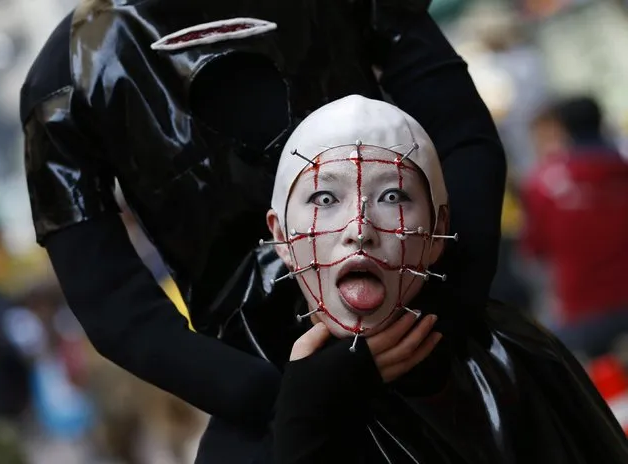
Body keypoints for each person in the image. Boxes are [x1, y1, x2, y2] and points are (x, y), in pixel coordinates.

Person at [20, 3, 505, 461]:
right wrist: (286, 394)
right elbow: (112, 305)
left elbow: (464, 136)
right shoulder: (65, 75)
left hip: (428, 358)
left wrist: (441, 313)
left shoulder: (68, 69)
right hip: (284, 401)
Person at [268, 95, 628, 463]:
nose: (360, 230)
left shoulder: (513, 366)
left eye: (392, 196)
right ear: (280, 235)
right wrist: (304, 415)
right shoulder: (252, 417)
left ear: (438, 229)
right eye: (325, 199)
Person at [522, 96, 628, 357]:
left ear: (563, 129)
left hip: (581, 314)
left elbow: (535, 250)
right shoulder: (621, 170)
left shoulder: (543, 183)